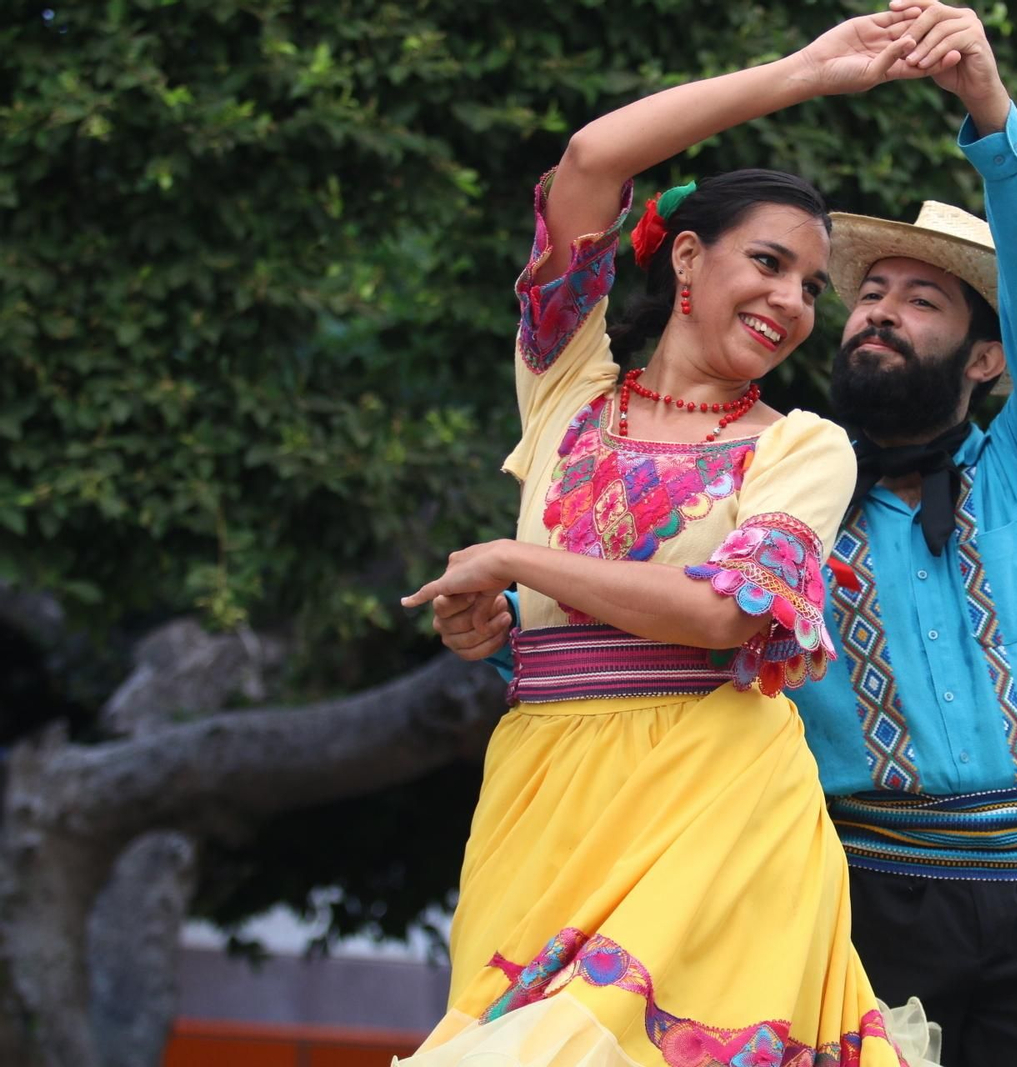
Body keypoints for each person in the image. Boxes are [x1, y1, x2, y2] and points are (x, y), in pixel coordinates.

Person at [397, 10, 954, 1065]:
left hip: (721, 796)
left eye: (808, 286)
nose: (791, 301)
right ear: (688, 257)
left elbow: (723, 611)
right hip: (544, 786)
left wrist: (516, 564)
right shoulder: (564, 382)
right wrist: (801, 74)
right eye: (769, 262)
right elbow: (592, 158)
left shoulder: (804, 447)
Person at [806, 4, 1017, 1064]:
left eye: (922, 298)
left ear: (986, 357)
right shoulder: (776, 491)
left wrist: (987, 109)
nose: (879, 309)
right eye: (870, 292)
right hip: (851, 900)